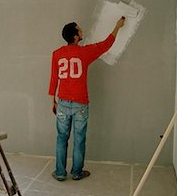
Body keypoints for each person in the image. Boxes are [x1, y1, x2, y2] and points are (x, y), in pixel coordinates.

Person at [48, 16, 126, 181]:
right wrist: (117, 26)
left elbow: (54, 79)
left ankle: (60, 173)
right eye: (80, 29)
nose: (82, 31)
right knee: (79, 139)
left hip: (61, 102)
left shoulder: (56, 54)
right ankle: (77, 172)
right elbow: (106, 44)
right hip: (80, 103)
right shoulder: (85, 52)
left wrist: (52, 101)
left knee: (61, 138)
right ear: (76, 37)